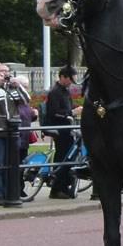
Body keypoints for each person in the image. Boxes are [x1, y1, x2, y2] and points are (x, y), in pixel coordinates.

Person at [0, 63, 31, 205]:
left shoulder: (13, 88)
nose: (5, 74)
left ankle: (11, 192)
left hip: (13, 131)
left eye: (6, 71)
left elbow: (26, 100)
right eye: (1, 72)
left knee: (12, 162)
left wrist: (19, 86)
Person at [45, 65, 81, 198]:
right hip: (61, 129)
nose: (72, 82)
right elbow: (54, 113)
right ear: (63, 77)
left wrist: (76, 109)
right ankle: (57, 188)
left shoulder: (64, 91)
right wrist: (71, 112)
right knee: (63, 157)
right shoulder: (55, 92)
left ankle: (64, 186)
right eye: (70, 79)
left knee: (68, 157)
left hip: (66, 129)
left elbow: (68, 106)